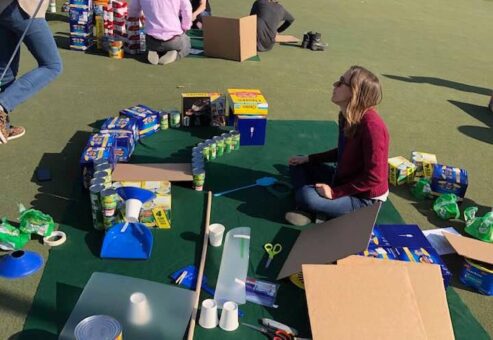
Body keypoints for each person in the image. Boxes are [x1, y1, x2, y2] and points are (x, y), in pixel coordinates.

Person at [286, 66, 389, 226]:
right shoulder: (346, 115)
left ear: (354, 93)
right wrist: (309, 158)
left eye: (341, 82)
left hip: (364, 199)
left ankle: (310, 207)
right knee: (298, 164)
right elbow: (343, 152)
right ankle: (317, 209)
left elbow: (375, 178)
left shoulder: (372, 127)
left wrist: (334, 193)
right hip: (343, 179)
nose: (334, 85)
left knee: (307, 195)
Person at [0, 0, 63, 144]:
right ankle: (2, 105)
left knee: (5, 71)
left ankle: (3, 125)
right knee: (52, 66)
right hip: (23, 9)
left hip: (3, 10)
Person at [128, 0, 192, 66]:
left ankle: (150, 52)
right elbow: (187, 10)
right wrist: (185, 27)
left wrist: (137, 15)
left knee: (145, 43)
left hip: (151, 40)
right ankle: (176, 55)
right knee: (187, 44)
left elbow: (132, 10)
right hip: (174, 39)